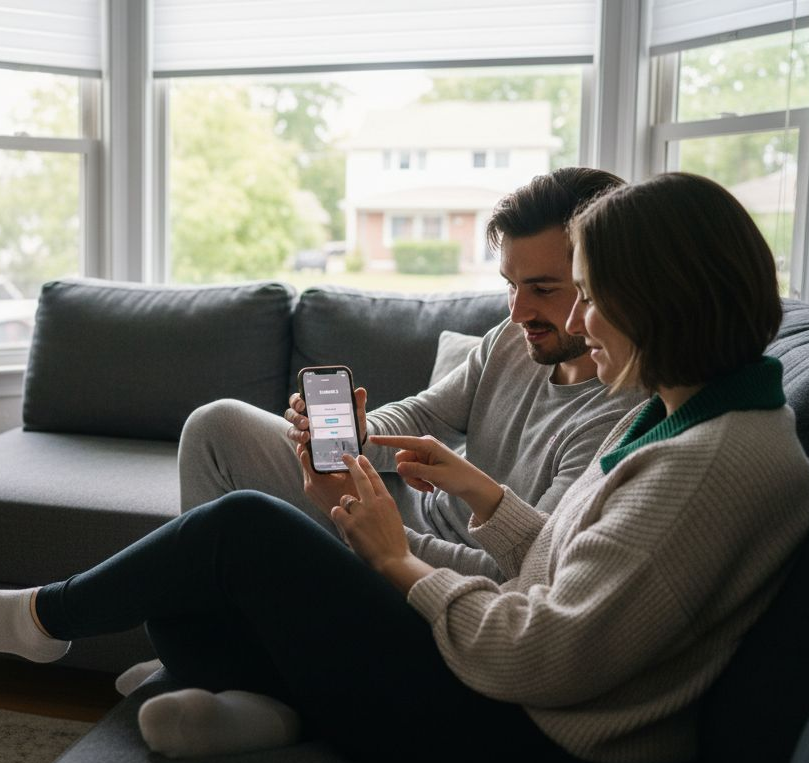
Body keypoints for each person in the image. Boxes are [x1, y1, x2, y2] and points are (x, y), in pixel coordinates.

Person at [0, 173, 809, 763]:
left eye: (583, 294)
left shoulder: (703, 464)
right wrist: (470, 489)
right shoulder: (693, 420)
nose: (575, 321)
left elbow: (539, 652)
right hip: (519, 695)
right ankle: (232, 688)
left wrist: (394, 557)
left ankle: (47, 619)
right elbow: (566, 569)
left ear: (661, 299)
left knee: (242, 532)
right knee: (222, 516)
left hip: (533, 737)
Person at [180, 167, 643, 582]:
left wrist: (362, 523)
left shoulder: (621, 419)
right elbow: (426, 416)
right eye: (510, 285)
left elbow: (524, 572)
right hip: (406, 508)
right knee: (216, 426)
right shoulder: (511, 338)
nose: (518, 312)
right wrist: (359, 433)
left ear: (600, 280)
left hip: (436, 562)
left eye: (543, 289)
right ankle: (199, 630)